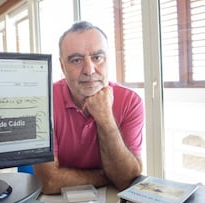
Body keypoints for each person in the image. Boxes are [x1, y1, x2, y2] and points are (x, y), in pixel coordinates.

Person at [33, 21, 144, 194]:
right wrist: (107, 176)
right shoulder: (42, 101)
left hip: (111, 201)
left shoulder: (131, 102)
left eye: (97, 58)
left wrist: (105, 117)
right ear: (62, 66)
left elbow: (127, 180)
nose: (89, 70)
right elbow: (48, 181)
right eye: (76, 60)